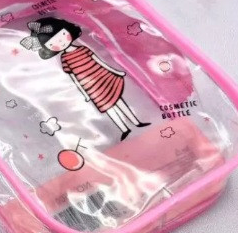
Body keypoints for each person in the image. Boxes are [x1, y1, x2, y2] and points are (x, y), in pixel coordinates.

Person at [21, 17, 150, 141]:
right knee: (108, 107)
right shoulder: (65, 59)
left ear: (68, 31)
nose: (60, 42)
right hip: (90, 86)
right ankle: (124, 129)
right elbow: (74, 77)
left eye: (62, 35)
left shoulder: (83, 49)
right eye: (52, 44)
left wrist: (115, 71)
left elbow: (99, 62)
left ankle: (136, 122)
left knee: (118, 100)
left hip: (103, 76)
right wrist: (85, 93)